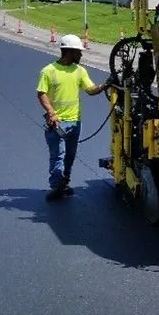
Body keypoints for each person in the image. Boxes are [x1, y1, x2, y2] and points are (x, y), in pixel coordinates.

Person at [37, 34, 111, 201]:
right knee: (58, 155)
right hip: (57, 123)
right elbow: (42, 93)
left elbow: (90, 90)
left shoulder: (79, 71)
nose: (81, 55)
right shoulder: (49, 71)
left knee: (70, 155)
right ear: (69, 51)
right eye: (78, 52)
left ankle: (64, 183)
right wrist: (51, 113)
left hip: (75, 122)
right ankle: (56, 186)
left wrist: (105, 85)